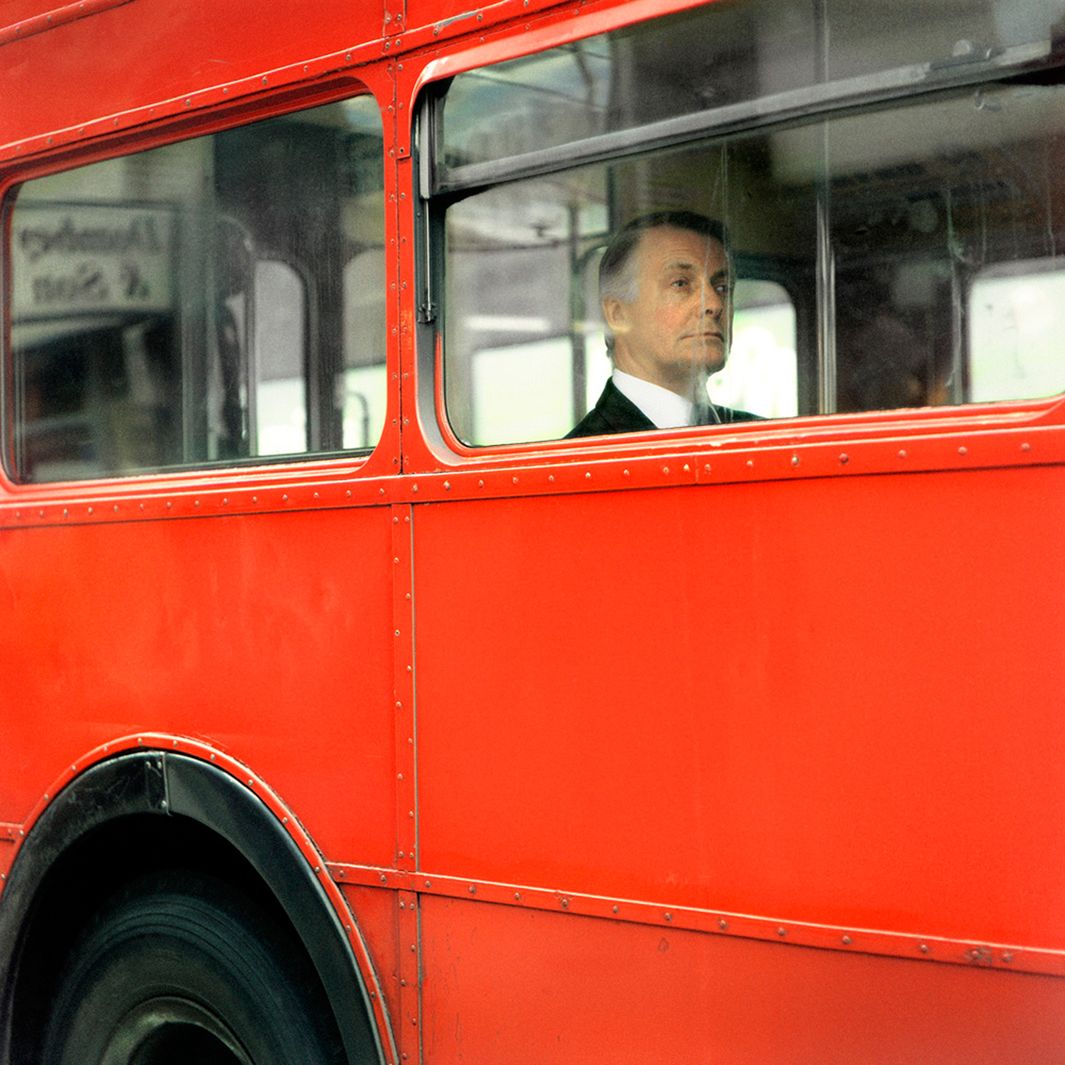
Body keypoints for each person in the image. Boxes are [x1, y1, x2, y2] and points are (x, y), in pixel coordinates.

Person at [567, 210, 759, 438]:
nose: (715, 304)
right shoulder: (581, 456)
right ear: (617, 314)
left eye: (722, 287)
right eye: (680, 284)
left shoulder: (757, 435)